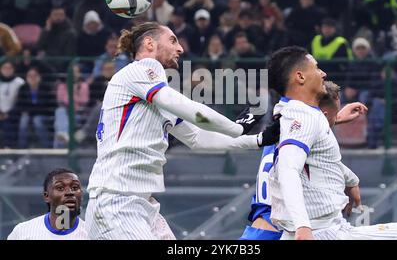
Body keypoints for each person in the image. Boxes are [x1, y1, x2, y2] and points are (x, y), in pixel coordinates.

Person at [85, 22, 281, 240]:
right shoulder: (141, 70)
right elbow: (190, 110)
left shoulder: (154, 95)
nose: (180, 48)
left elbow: (198, 139)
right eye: (172, 40)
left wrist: (258, 139)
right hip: (117, 202)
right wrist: (236, 127)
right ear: (149, 44)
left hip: (140, 204)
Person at [267, 46, 397, 240]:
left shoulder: (288, 111)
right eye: (317, 68)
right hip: (322, 232)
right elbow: (288, 169)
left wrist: (335, 119)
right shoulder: (304, 118)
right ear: (300, 77)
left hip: (303, 230)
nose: (323, 73)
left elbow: (315, 150)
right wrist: (303, 226)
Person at [240, 81, 367, 240]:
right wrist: (352, 180)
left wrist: (335, 117)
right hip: (280, 229)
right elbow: (319, 157)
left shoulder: (281, 128)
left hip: (261, 228)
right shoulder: (298, 138)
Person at [7, 168, 87, 240]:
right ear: (46, 196)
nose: (69, 192)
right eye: (60, 188)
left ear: (82, 195)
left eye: (75, 188)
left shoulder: (92, 234)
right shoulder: (22, 232)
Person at [16, 67, 54, 148]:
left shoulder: (46, 88)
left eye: (35, 75)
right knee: (24, 119)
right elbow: (20, 105)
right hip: (28, 115)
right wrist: (32, 109)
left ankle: (46, 147)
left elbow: (48, 106)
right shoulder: (23, 88)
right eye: (30, 76)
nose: (32, 78)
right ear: (26, 78)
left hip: (44, 115)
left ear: (39, 77)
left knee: (37, 120)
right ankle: (21, 148)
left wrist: (31, 110)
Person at [0, 60, 25, 148]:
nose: (7, 70)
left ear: (13, 69)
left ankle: (9, 149)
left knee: (9, 124)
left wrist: (8, 113)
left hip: (13, 113)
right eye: (4, 68)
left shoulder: (19, 82)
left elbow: (20, 100)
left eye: (9, 68)